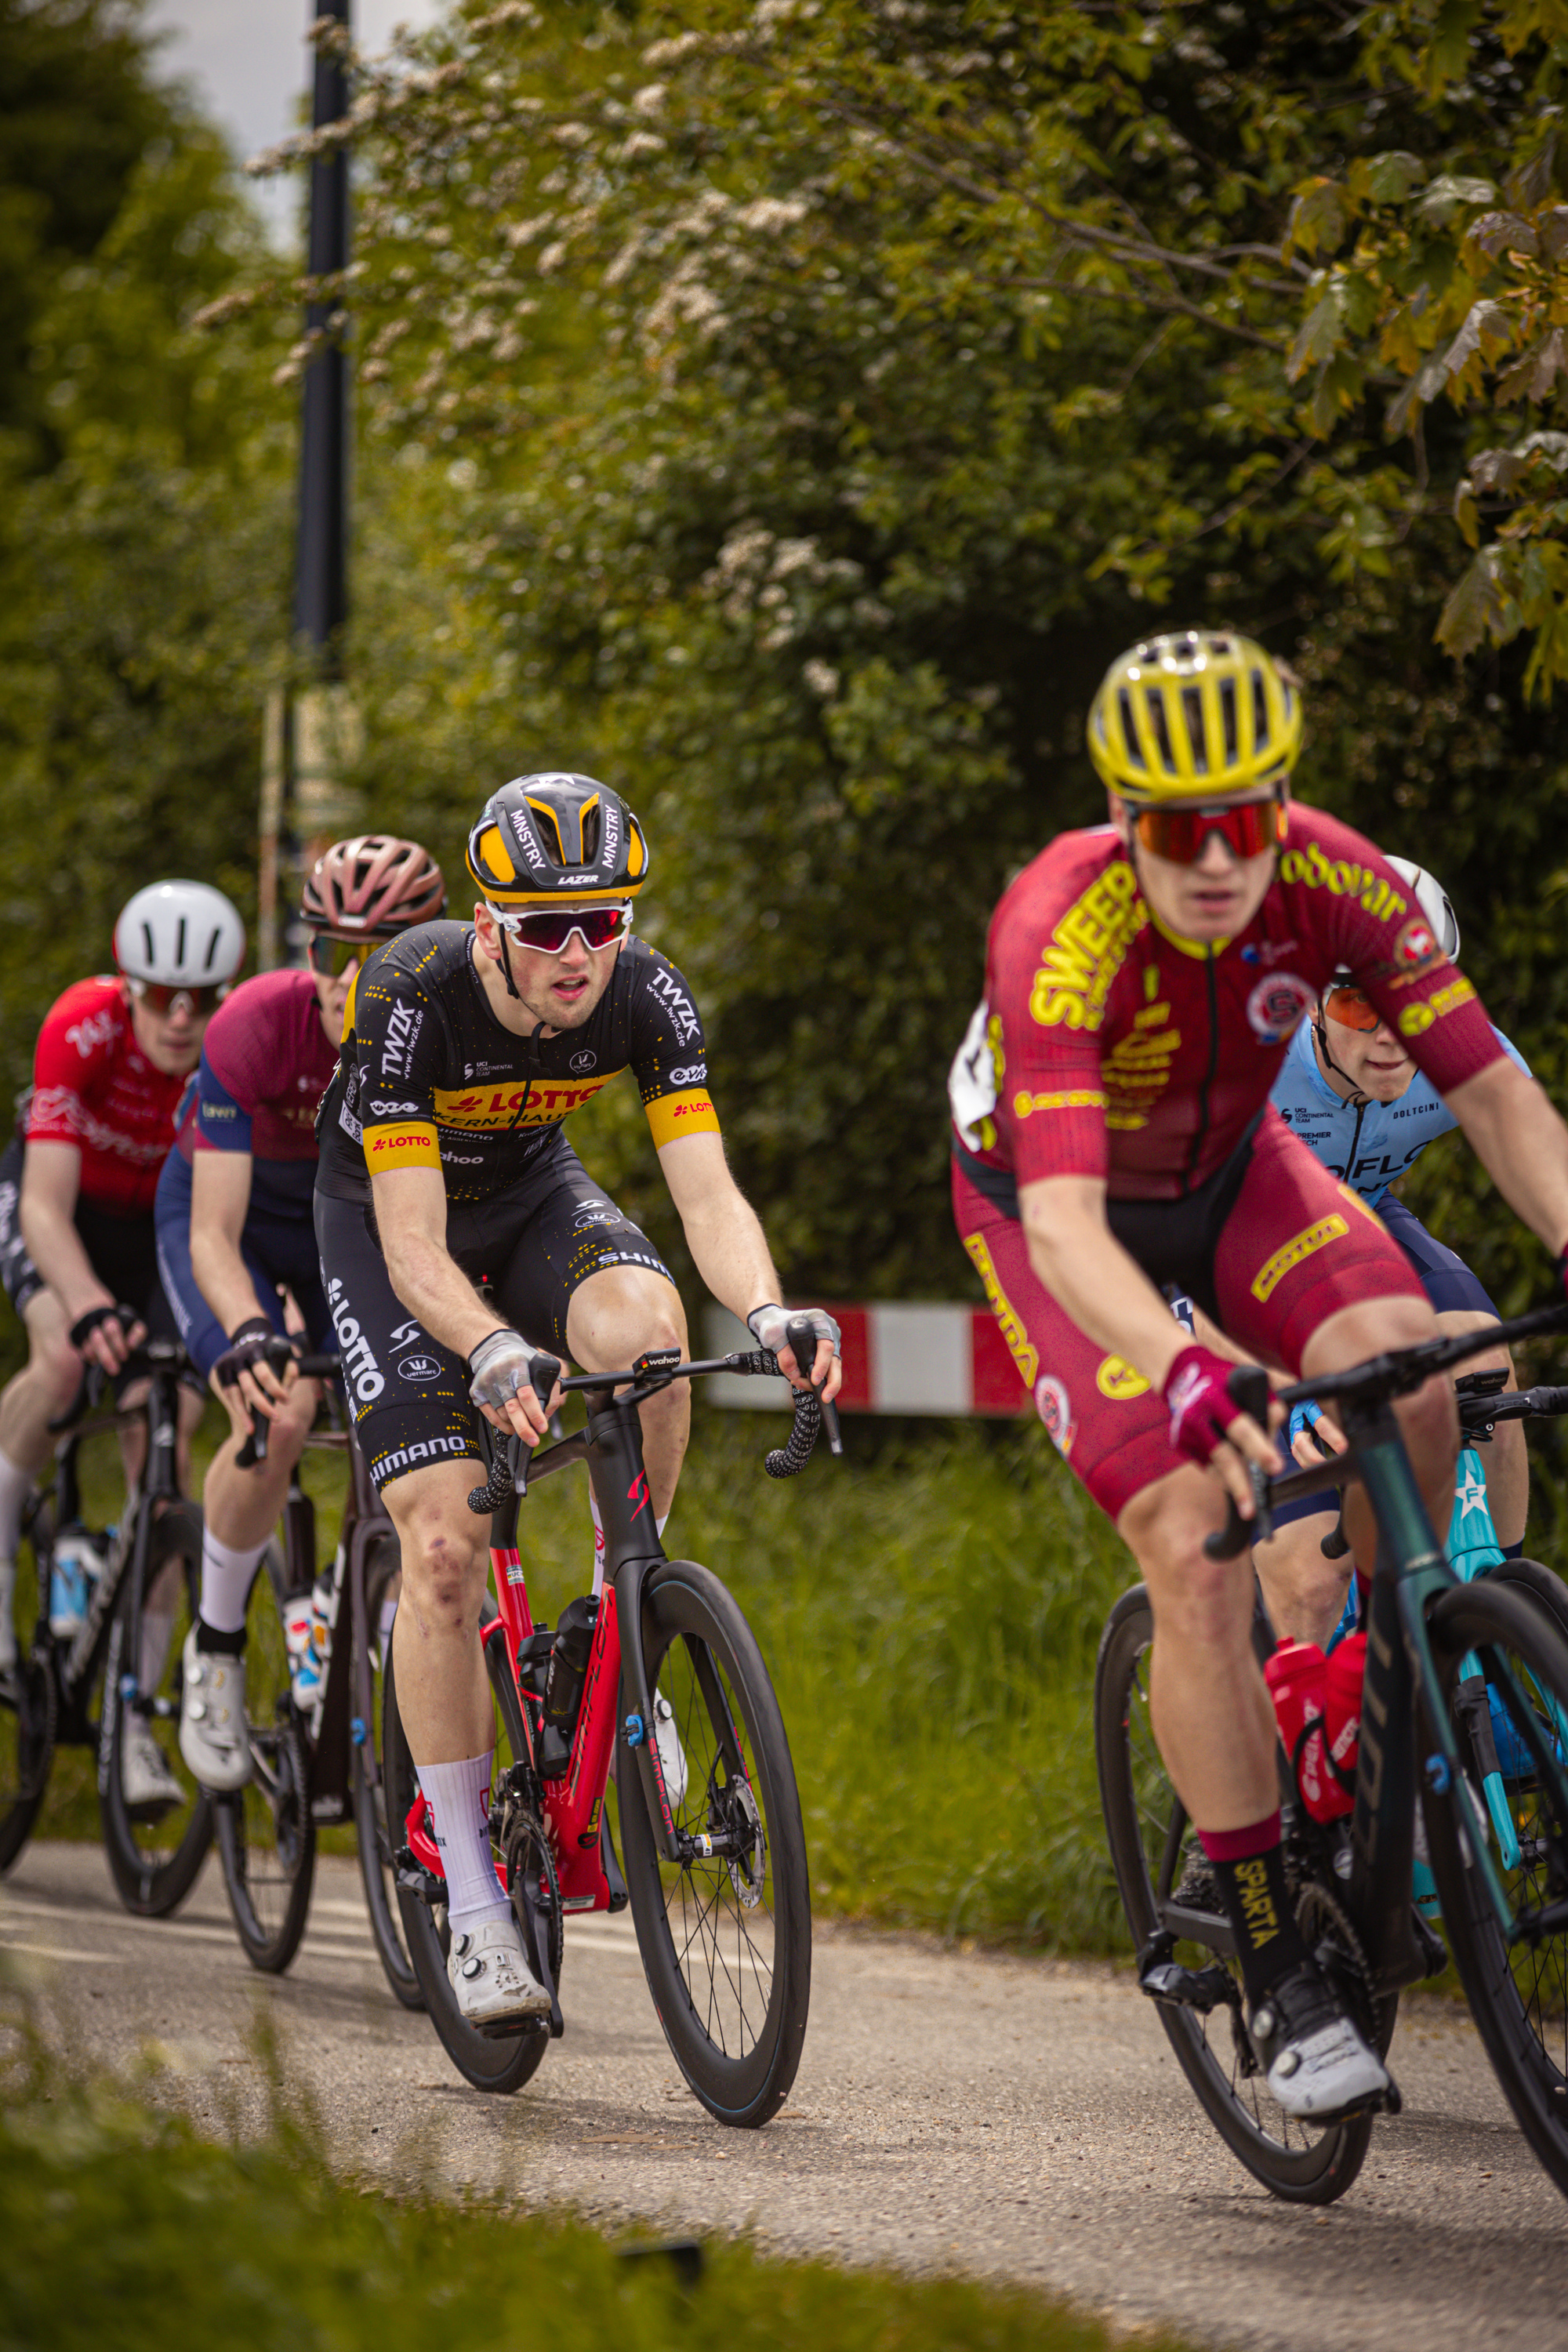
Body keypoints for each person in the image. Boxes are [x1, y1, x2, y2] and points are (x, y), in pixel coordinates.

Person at [949, 630, 1568, 2121]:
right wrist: (1181, 1371)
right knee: (1194, 1538)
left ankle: (1362, 1688)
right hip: (1061, 1214)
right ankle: (1278, 1954)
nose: (1218, 858)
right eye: (1177, 827)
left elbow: (1489, 1086)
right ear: (1124, 815)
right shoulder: (1062, 922)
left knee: (1420, 1383)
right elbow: (1069, 1227)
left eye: (1247, 817)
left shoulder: (1339, 879)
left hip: (1236, 1173)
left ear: (1282, 798)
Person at [312, 771, 843, 2026]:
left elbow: (708, 1199)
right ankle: (477, 1905)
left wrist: (768, 1312)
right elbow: (413, 1252)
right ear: (488, 921)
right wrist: (492, 1347)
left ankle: (628, 1615)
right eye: (546, 926)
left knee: (653, 1339)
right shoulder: (407, 994)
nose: (578, 953)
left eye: (603, 921)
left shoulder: (648, 995)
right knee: (443, 1546)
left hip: (535, 1194)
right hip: (393, 1228)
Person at [165, 837, 447, 1791]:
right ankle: (214, 1643)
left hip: (347, 1231)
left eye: (383, 952)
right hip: (233, 1222)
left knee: (413, 1435)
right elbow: (213, 1232)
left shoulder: (441, 1037)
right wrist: (250, 1326)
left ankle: (341, 1596)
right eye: (330, 951)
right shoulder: (253, 1026)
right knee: (276, 1408)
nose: (349, 979)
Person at [0, 880, 245, 1805]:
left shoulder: (227, 1052)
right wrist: (88, 1306)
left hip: (160, 1236)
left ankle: (135, 1721)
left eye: (201, 998)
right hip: (64, 1213)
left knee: (167, 1443)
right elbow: (43, 1206)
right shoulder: (83, 1028)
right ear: (127, 983)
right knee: (63, 1357)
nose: (180, 1019)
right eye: (158, 995)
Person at [1257, 860, 1533, 1646]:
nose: (1391, 1033)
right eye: (1355, 1000)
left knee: (1489, 1374)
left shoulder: (1461, 1053)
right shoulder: (1254, 1064)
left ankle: (1498, 1618)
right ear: (1309, 998)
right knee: (1311, 1581)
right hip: (1225, 1255)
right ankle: (1302, 1741)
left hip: (1360, 1224)